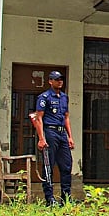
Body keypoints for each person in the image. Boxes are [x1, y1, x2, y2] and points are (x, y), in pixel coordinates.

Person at [33, 70, 75, 206]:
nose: (60, 82)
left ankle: (66, 197)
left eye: (61, 79)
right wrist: (41, 138)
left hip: (62, 133)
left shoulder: (64, 97)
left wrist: (70, 137)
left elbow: (66, 117)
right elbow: (39, 118)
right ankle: (50, 198)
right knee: (48, 165)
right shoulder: (44, 97)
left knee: (67, 165)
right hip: (50, 132)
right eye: (57, 79)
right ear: (50, 81)